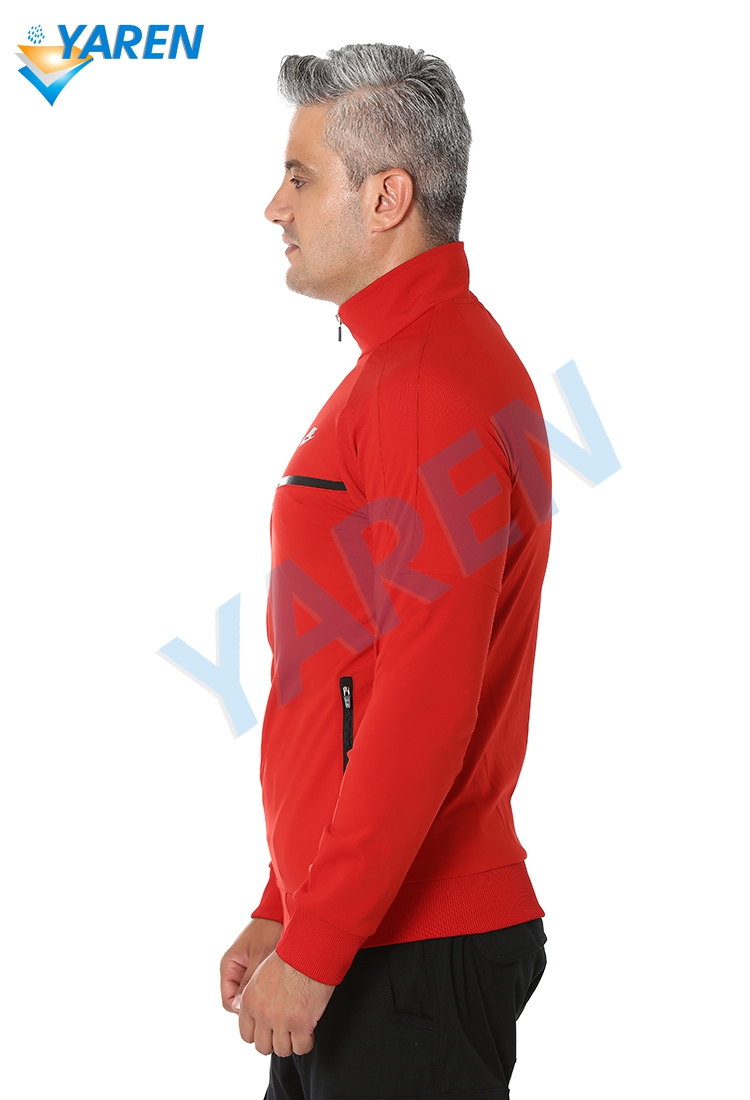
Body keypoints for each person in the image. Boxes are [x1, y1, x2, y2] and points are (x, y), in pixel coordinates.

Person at [220, 44, 552, 1099]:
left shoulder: (425, 384)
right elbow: (343, 666)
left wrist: (318, 941)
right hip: (369, 932)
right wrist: (287, 900)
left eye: (301, 176)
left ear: (386, 197)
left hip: (404, 953)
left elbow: (421, 702)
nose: (275, 206)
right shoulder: (400, 370)